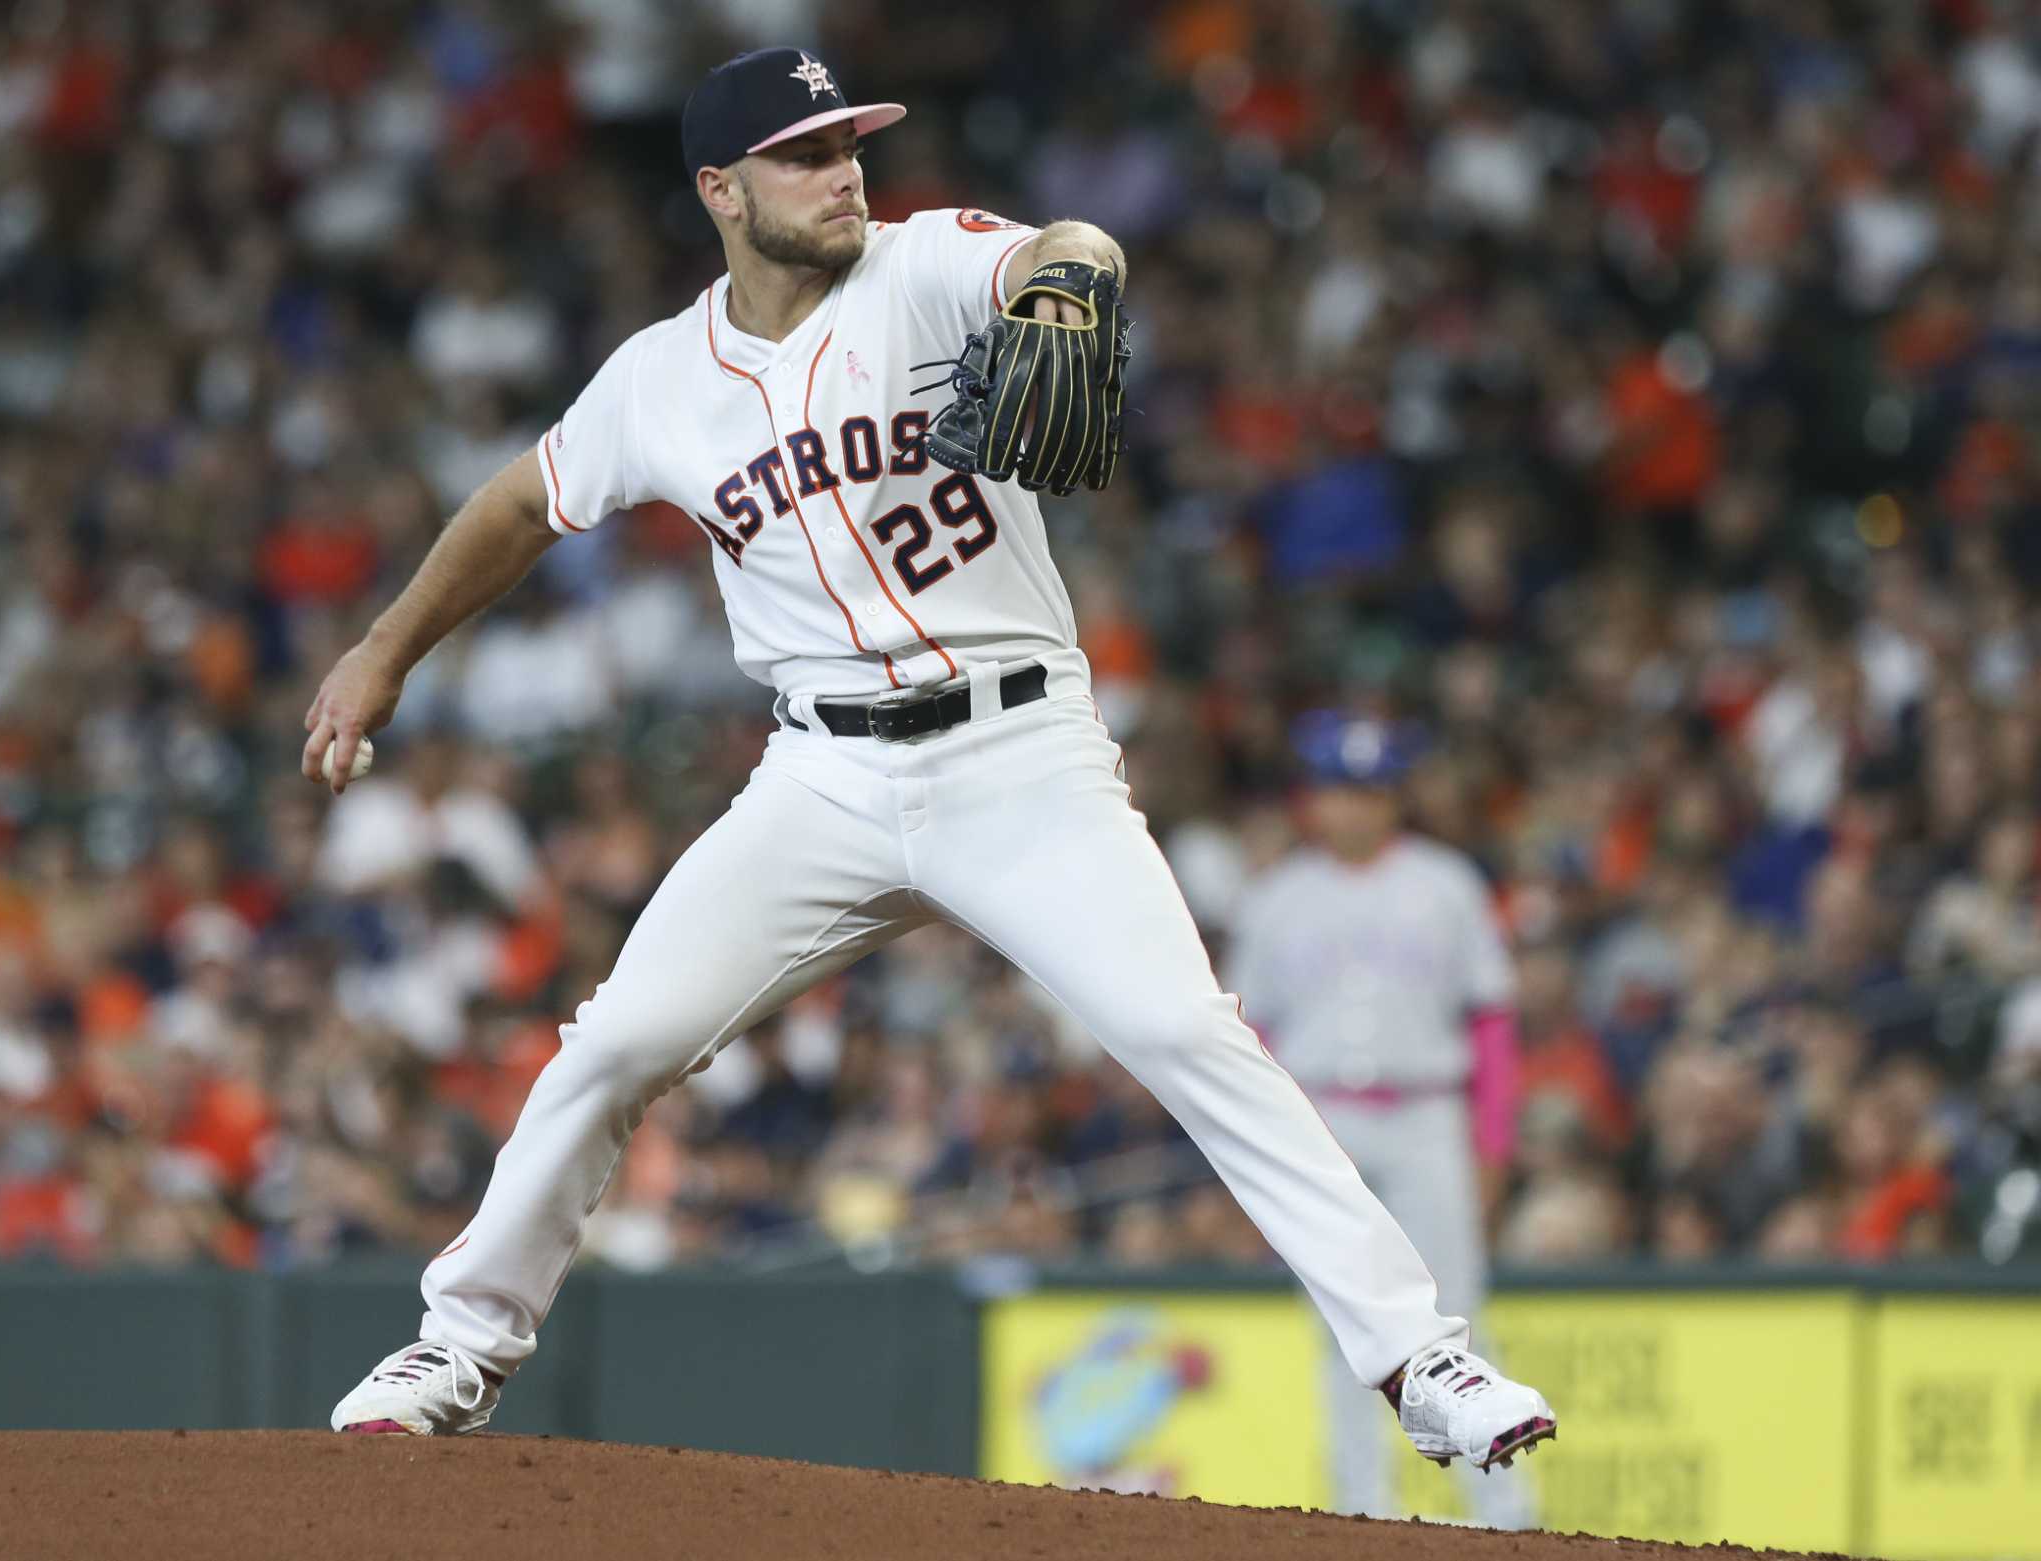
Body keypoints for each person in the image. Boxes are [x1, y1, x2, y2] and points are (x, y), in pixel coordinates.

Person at [309, 47, 1556, 1471]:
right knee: (618, 1044)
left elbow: (1065, 246)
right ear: (720, 190)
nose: (843, 170)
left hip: (1020, 750)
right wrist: (387, 649)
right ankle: (462, 1344)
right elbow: (519, 504)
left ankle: (1421, 1353)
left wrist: (1068, 277)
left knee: (1184, 1032)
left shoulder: (921, 265)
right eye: (802, 153)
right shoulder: (660, 380)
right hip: (820, 777)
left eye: (849, 142)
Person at [1229, 714, 1539, 1524]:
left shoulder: (1448, 883)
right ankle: (1359, 1513)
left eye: (1368, 789)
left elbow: (1492, 1025)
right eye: (1338, 788)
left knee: (1457, 1316)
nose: (1354, 807)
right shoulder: (1274, 899)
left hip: (1427, 1116)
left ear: (1395, 798)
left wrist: (1494, 1143)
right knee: (1340, 1330)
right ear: (1310, 799)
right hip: (1319, 1123)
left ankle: (1504, 1516)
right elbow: (1244, 1039)